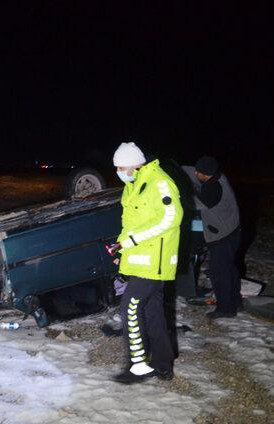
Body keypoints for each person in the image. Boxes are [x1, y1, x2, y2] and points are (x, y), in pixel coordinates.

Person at [111, 142, 183, 384]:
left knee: (129, 308)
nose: (119, 172)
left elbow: (171, 218)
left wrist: (133, 239)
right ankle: (163, 365)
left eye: (121, 167)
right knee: (153, 313)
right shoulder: (133, 185)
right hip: (142, 260)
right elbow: (131, 224)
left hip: (156, 261)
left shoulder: (159, 182)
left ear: (134, 165)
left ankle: (138, 364)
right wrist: (122, 246)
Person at [183, 156, 241, 319]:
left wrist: (176, 194)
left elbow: (192, 204)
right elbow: (189, 171)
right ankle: (236, 302)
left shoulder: (213, 188)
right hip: (232, 230)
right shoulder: (217, 176)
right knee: (229, 268)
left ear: (206, 174)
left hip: (223, 235)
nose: (195, 173)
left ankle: (225, 309)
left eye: (198, 172)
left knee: (219, 272)